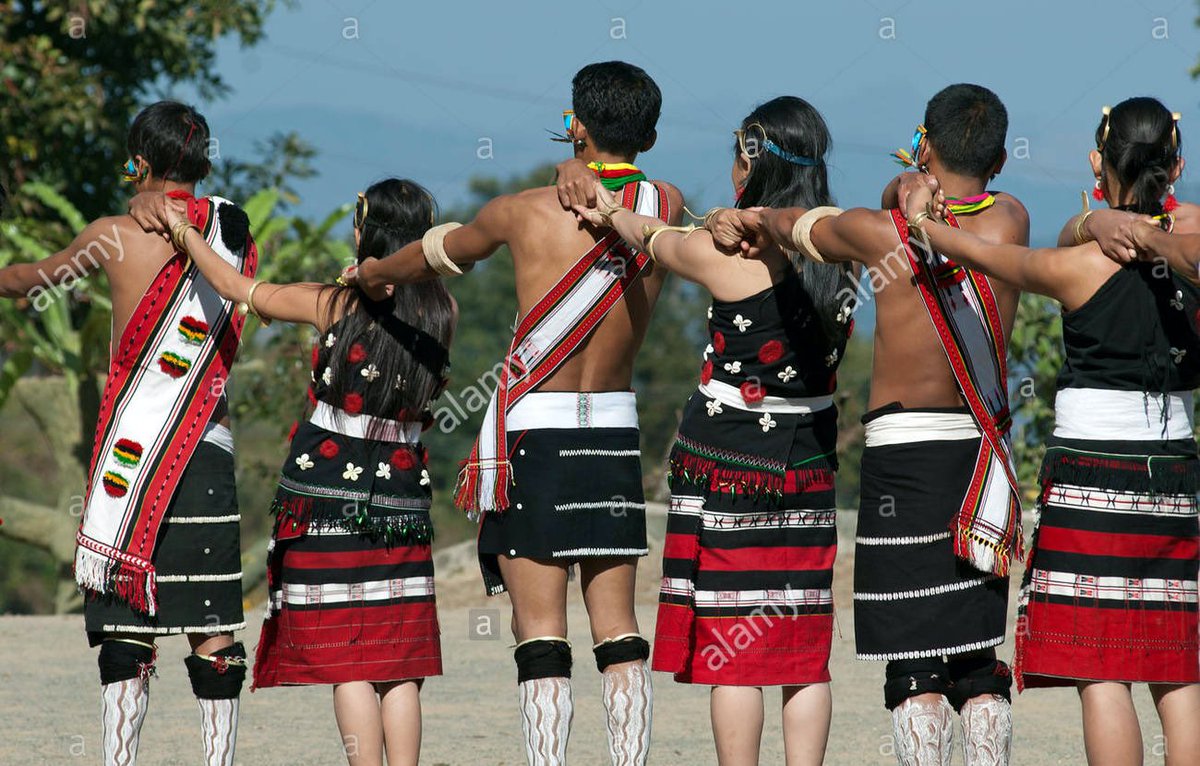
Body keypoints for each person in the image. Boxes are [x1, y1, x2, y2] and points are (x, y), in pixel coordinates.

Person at [349, 61, 681, 766]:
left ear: (577, 124)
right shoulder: (667, 205)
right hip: (614, 429)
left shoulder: (521, 210)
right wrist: (580, 160)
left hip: (538, 430)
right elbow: (622, 186)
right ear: (649, 133)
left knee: (540, 635)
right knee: (619, 630)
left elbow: (433, 257)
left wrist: (371, 274)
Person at [710, 84, 1029, 766]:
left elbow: (793, 224)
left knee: (914, 664)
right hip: (978, 453)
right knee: (977, 660)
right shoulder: (1013, 221)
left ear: (924, 144)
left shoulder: (873, 230)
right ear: (1000, 159)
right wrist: (918, 178)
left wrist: (905, 185)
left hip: (902, 459)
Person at [897, 96, 1200, 766]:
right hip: (1175, 476)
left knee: (1105, 669)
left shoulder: (1074, 268)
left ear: (1098, 161)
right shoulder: (1189, 238)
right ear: (1176, 163)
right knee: (1177, 663)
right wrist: (1125, 225)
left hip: (1090, 476)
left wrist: (922, 220)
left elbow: (973, 250)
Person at [563, 95, 855, 766]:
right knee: (802, 642)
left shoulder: (727, 257)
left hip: (730, 464)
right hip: (808, 463)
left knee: (737, 644)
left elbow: (649, 238)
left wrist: (604, 209)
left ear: (750, 163)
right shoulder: (841, 251)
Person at [129, 178, 455, 766]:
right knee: (398, 661)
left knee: (350, 662)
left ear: (369, 234)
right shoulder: (443, 309)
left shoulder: (334, 303)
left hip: (324, 494)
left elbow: (234, 287)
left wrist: (183, 232)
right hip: (403, 498)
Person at [0, 101, 255, 766]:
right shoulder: (231, 230)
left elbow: (29, 282)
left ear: (138, 161)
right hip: (207, 446)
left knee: (124, 626)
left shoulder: (111, 234)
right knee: (211, 623)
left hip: (129, 456)